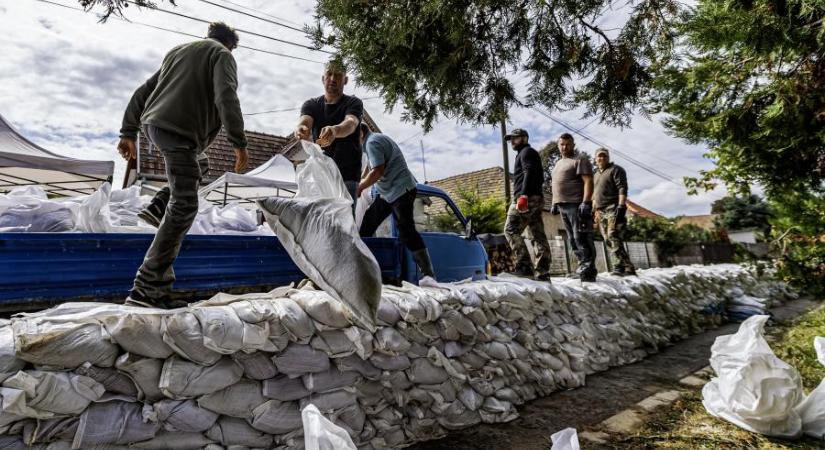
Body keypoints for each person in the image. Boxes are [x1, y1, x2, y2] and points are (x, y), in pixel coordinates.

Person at [118, 22, 249, 308]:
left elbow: (143, 91)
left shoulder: (178, 52)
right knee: (186, 205)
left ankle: (158, 205)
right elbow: (226, 94)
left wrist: (128, 131)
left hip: (155, 127)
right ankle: (148, 288)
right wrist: (239, 142)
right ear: (230, 45)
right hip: (179, 131)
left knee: (199, 165)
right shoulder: (222, 55)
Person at [356, 123, 436, 279]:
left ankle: (428, 274)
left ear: (360, 133)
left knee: (406, 229)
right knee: (368, 223)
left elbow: (377, 171)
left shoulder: (372, 143)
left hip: (401, 189)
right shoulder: (370, 143)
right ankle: (365, 268)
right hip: (387, 193)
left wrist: (360, 187)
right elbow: (370, 166)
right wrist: (362, 181)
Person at [295, 60, 363, 209]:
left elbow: (351, 123)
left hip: (347, 176)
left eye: (338, 74)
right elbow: (305, 120)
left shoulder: (354, 103)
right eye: (329, 74)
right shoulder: (311, 104)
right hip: (320, 176)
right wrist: (301, 127)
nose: (332, 78)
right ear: (322, 78)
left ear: (345, 80)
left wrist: (335, 130)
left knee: (345, 223)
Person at [502, 128, 553, 281]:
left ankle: (524, 267)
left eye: (515, 138)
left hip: (527, 198)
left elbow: (528, 172)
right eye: (511, 139)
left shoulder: (526, 152)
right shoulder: (527, 153)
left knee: (510, 230)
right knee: (537, 234)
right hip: (535, 198)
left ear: (524, 138)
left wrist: (523, 195)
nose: (512, 141)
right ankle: (543, 271)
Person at [551, 133, 597, 282]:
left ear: (573, 145)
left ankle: (589, 269)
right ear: (558, 146)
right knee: (571, 238)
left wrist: (586, 202)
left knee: (581, 237)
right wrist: (554, 202)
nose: (564, 147)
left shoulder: (580, 160)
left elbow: (588, 181)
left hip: (576, 204)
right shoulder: (558, 163)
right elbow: (556, 184)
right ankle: (582, 266)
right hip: (563, 206)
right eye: (562, 144)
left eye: (568, 144)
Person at [593, 148, 637, 276]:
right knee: (606, 239)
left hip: (613, 207)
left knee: (613, 235)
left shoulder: (616, 170)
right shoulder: (595, 174)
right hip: (600, 210)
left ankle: (621, 266)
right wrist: (593, 211)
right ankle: (624, 266)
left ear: (608, 157)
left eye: (604, 156)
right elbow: (595, 196)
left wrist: (621, 206)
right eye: (599, 156)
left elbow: (622, 188)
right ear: (595, 159)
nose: (601, 158)